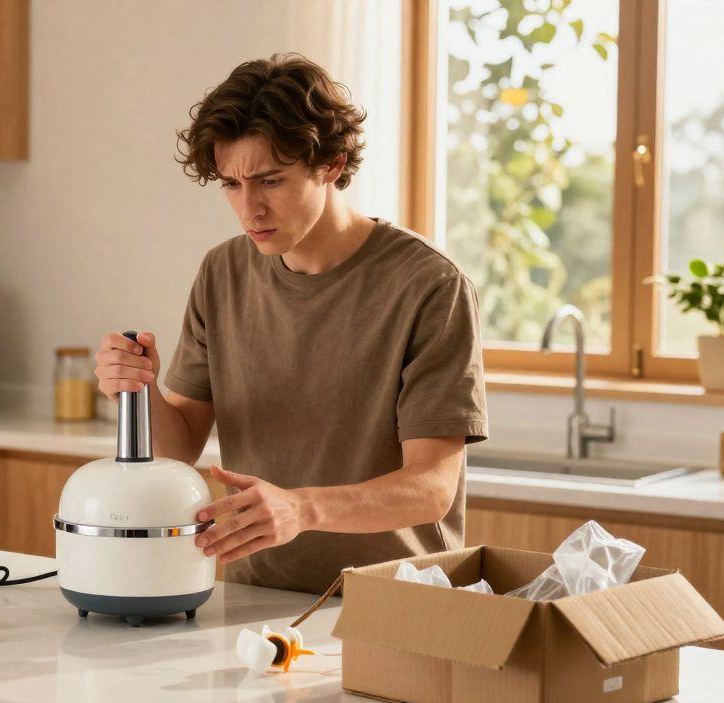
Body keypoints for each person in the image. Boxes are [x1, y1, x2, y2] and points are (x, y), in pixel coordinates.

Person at [93, 53, 488, 594]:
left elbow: (431, 488)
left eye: (270, 181)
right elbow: (179, 448)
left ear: (331, 165)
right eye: (231, 184)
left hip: (393, 604)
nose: (249, 208)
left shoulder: (430, 284)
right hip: (254, 595)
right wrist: (138, 390)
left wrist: (301, 508)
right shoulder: (223, 272)